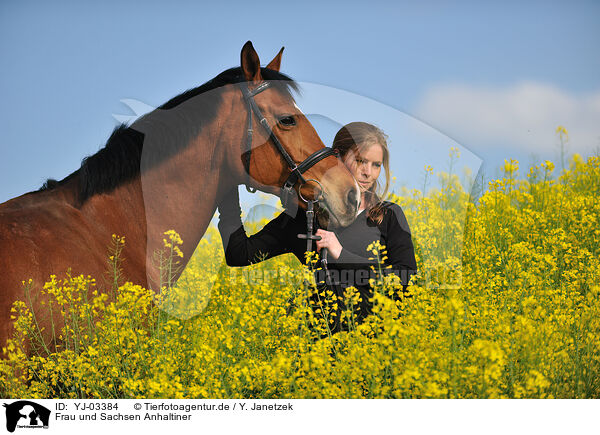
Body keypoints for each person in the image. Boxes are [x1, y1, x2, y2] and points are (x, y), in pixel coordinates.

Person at [217, 122, 417, 333]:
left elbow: (406, 279)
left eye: (376, 165)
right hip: (316, 352)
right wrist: (226, 186)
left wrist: (341, 254)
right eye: (360, 161)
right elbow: (239, 253)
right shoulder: (304, 217)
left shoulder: (388, 215)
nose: (368, 172)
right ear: (337, 157)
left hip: (377, 348)